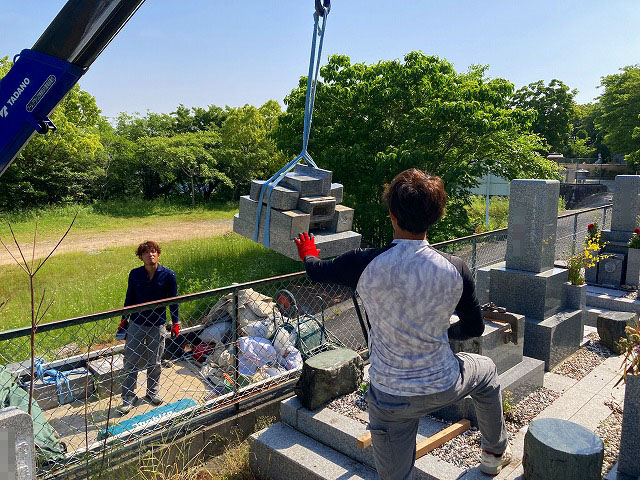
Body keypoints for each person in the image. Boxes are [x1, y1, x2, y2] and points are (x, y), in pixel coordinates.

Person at [294, 168, 510, 478]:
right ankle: (492, 455)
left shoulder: (363, 263)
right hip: (444, 382)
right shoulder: (455, 269)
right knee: (486, 370)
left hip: (390, 395)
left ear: (393, 215)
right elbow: (474, 328)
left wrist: (308, 253)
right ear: (435, 216)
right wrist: (446, 332)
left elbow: (316, 271)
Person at [117, 240, 180, 414]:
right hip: (136, 323)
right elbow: (129, 297)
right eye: (146, 253)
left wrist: (175, 322)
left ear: (158, 254)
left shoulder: (168, 275)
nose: (150, 255)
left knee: (156, 361)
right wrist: (124, 320)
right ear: (141, 257)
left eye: (153, 252)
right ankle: (128, 398)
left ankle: (152, 392)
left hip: (157, 324)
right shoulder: (135, 274)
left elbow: (173, 301)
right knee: (130, 361)